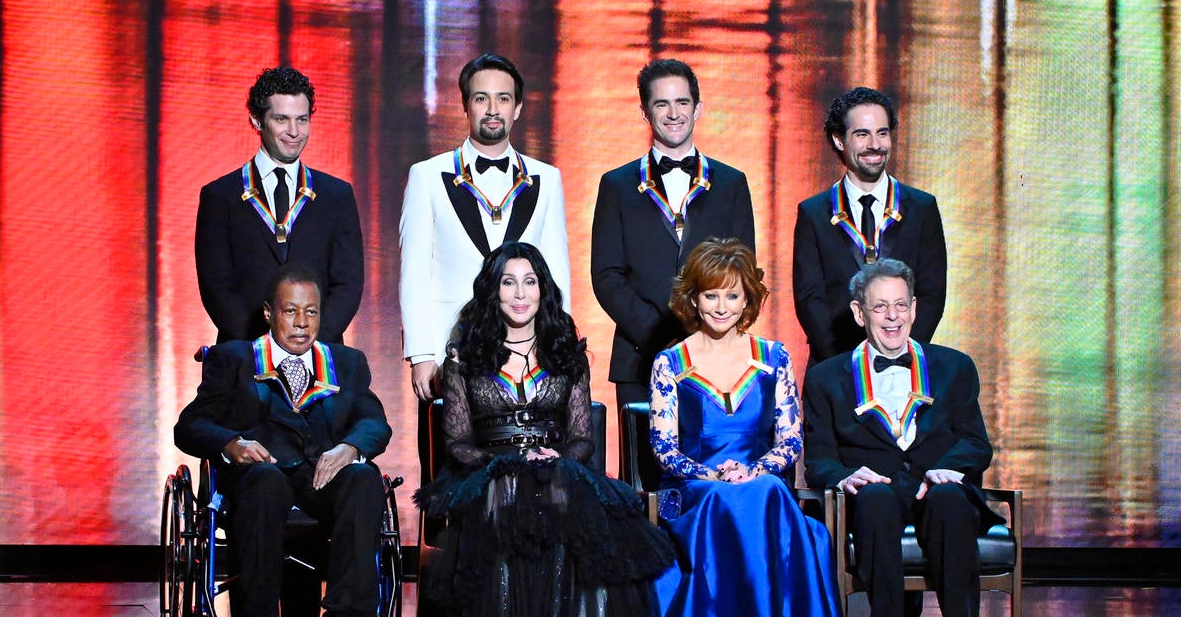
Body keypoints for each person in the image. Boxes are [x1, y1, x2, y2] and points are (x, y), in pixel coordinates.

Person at [413, 241, 674, 616]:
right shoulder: (462, 356)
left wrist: (557, 457)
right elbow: (457, 441)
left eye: (530, 282)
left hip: (556, 463)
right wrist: (501, 462)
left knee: (562, 492)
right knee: (506, 489)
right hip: (486, 468)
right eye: (508, 282)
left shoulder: (567, 353)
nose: (520, 294)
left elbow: (583, 437)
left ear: (543, 289)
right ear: (493, 290)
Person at [175, 264, 391, 617]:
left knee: (364, 479)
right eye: (290, 311)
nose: (302, 323)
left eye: (311, 312)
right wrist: (232, 444)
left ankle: (347, 611)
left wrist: (349, 448)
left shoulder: (346, 362)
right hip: (258, 479)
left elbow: (375, 422)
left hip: (319, 477)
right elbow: (189, 425)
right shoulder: (234, 359)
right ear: (268, 313)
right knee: (266, 482)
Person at [400, 53, 570, 482]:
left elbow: (555, 273)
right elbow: (414, 271)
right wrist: (422, 354)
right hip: (450, 351)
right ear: (465, 105)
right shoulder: (427, 175)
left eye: (503, 98)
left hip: (526, 353)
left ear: (518, 108)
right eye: (481, 98)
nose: (492, 109)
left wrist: (558, 344)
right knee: (448, 470)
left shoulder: (546, 178)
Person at [649, 238, 840, 616]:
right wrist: (712, 474)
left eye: (732, 296)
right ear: (693, 299)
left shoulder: (774, 357)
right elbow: (664, 449)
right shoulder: (669, 362)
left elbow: (790, 440)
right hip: (695, 489)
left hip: (761, 482)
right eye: (711, 296)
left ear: (748, 300)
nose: (721, 307)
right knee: (724, 499)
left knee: (766, 490)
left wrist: (752, 470)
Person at [803, 258, 1002, 617]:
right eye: (880, 306)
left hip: (937, 488)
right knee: (875, 499)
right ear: (859, 313)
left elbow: (975, 443)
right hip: (874, 494)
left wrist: (949, 470)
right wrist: (847, 477)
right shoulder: (825, 378)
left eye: (900, 305)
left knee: (949, 499)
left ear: (913, 308)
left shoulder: (954, 366)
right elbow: (819, 461)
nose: (892, 317)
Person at [592, 58, 755, 409]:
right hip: (639, 356)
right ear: (645, 112)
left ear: (698, 109)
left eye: (682, 102)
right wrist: (659, 334)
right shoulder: (616, 185)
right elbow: (606, 276)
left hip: (718, 356)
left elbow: (745, 272)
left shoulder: (732, 184)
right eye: (661, 104)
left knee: (716, 460)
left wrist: (708, 332)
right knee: (643, 464)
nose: (673, 113)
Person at [195, 66, 364, 344]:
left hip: (319, 359)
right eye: (282, 119)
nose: (294, 131)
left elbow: (348, 284)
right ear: (257, 120)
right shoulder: (219, 196)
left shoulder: (337, 195)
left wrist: (308, 345)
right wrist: (266, 350)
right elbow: (216, 287)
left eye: (302, 119)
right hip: (245, 358)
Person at [793, 86, 946, 365]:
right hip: (834, 370)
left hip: (905, 366)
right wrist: (846, 365)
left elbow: (932, 295)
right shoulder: (813, 213)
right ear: (840, 140)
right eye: (862, 134)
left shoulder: (922, 209)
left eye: (883, 133)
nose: (875, 144)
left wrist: (898, 353)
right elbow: (809, 300)